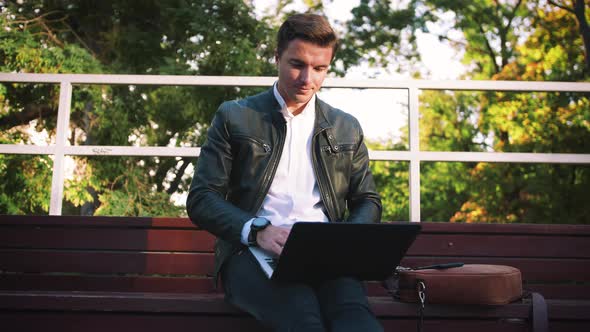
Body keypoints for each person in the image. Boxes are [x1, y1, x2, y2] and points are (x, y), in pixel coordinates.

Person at [186, 13, 383, 332]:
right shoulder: (235, 117)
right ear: (276, 58)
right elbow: (202, 198)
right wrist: (258, 230)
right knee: (302, 318)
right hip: (250, 251)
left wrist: (347, 240)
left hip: (327, 255)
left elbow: (367, 200)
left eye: (319, 68)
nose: (307, 78)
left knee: (357, 322)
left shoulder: (346, 127)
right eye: (297, 64)